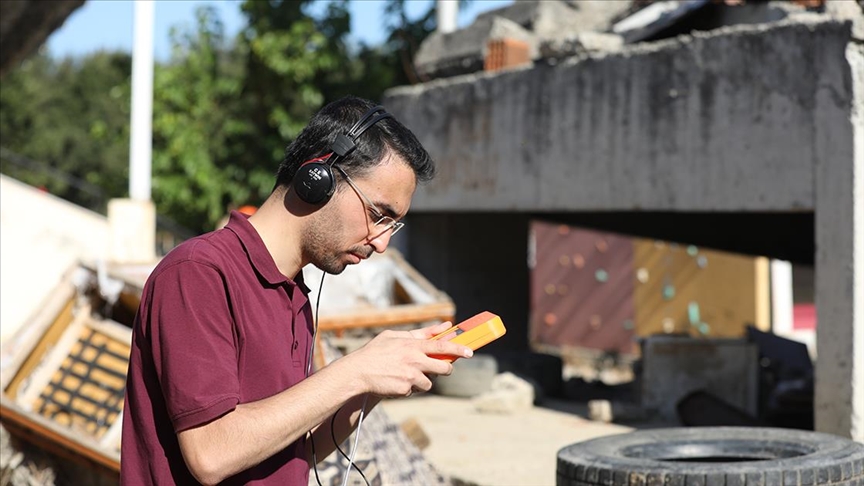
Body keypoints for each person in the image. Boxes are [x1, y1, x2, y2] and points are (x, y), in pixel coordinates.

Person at [120, 96, 474, 485]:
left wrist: (374, 386)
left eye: (393, 225)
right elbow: (212, 452)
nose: (381, 243)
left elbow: (293, 454)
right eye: (378, 215)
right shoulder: (199, 273)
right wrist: (357, 370)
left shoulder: (296, 293)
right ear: (317, 179)